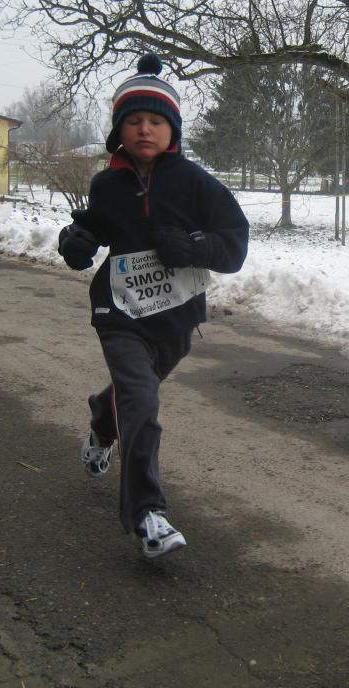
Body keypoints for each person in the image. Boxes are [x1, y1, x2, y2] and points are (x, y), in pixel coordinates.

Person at [58, 53, 249, 560]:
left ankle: (103, 417)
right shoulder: (107, 184)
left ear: (173, 129)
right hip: (119, 311)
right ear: (120, 129)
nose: (145, 129)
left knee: (128, 397)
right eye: (134, 120)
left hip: (175, 316)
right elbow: (96, 229)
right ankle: (147, 514)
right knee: (142, 401)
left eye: (156, 120)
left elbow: (235, 244)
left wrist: (194, 247)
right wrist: (78, 241)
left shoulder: (196, 183)